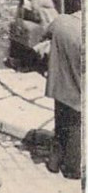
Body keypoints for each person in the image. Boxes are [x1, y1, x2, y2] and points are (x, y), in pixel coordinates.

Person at [35, 10, 81, 179]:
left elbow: (44, 35)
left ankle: (54, 163)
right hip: (79, 88)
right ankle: (72, 169)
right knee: (76, 128)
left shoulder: (61, 21)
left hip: (59, 84)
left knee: (61, 124)